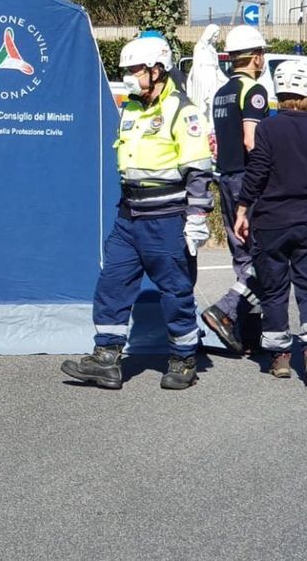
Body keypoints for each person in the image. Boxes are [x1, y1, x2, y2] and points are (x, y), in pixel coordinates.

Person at [61, 32, 215, 390]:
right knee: (112, 285)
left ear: (156, 70)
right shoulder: (131, 108)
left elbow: (198, 169)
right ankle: (106, 359)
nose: (129, 77)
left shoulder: (183, 111)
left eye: (135, 70)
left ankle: (183, 360)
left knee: (175, 291)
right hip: (128, 217)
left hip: (166, 219)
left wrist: (197, 217)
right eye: (126, 71)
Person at [233, 59, 307, 386]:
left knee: (274, 290)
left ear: (277, 92)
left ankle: (280, 357)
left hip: (271, 223)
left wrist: (242, 210)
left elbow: (256, 173)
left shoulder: (267, 129)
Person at [202, 25, 271, 354]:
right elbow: (251, 141)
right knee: (266, 255)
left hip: (226, 178)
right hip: (248, 180)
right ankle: (226, 309)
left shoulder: (221, 93)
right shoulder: (254, 91)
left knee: (243, 256)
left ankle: (246, 334)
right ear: (255, 57)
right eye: (262, 54)